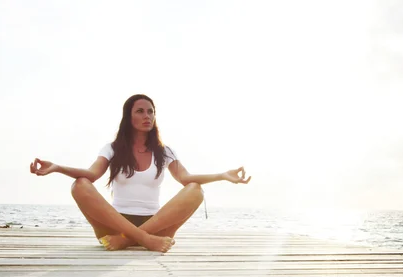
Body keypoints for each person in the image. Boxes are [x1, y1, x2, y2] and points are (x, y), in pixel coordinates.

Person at [30, 94, 251, 253]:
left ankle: (127, 240)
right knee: (80, 184)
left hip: (156, 224)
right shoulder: (113, 148)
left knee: (195, 190)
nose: (147, 116)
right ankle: (142, 239)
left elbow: (185, 178)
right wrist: (57, 168)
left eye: (151, 111)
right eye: (140, 111)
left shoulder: (165, 152)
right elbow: (91, 174)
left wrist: (223, 175)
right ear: (129, 117)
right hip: (114, 224)